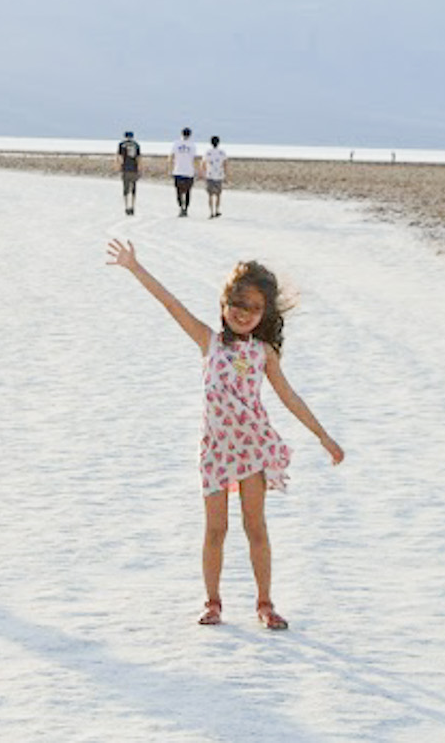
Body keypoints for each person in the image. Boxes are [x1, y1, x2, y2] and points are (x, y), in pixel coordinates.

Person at [104, 240, 343, 629]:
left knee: (255, 527)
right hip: (216, 450)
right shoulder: (208, 341)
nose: (243, 313)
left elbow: (289, 397)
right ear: (224, 303)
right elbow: (170, 303)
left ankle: (265, 603)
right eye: (237, 303)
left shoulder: (264, 352)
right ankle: (212, 602)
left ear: (264, 313)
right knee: (215, 529)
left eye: (253, 308)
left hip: (253, 447)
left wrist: (323, 436)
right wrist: (135, 267)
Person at [169, 127, 199, 217]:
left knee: (179, 191)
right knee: (188, 191)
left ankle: (180, 207)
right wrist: (196, 169)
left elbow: (171, 157)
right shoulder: (192, 145)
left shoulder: (176, 144)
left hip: (178, 170)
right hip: (189, 171)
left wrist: (170, 168)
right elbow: (195, 159)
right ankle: (185, 208)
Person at [116, 131, 142, 215]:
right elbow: (138, 158)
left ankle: (126, 206)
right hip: (134, 169)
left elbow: (120, 157)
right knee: (133, 188)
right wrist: (139, 168)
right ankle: (133, 206)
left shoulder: (121, 145)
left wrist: (119, 167)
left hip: (125, 169)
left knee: (125, 188)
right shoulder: (136, 145)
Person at [202, 136, 228, 219]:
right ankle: (216, 210)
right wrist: (225, 174)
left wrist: (203, 173)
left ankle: (211, 212)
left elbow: (203, 163)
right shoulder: (222, 152)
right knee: (218, 195)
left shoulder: (208, 152)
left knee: (210, 195)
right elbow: (225, 164)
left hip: (210, 174)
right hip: (219, 175)